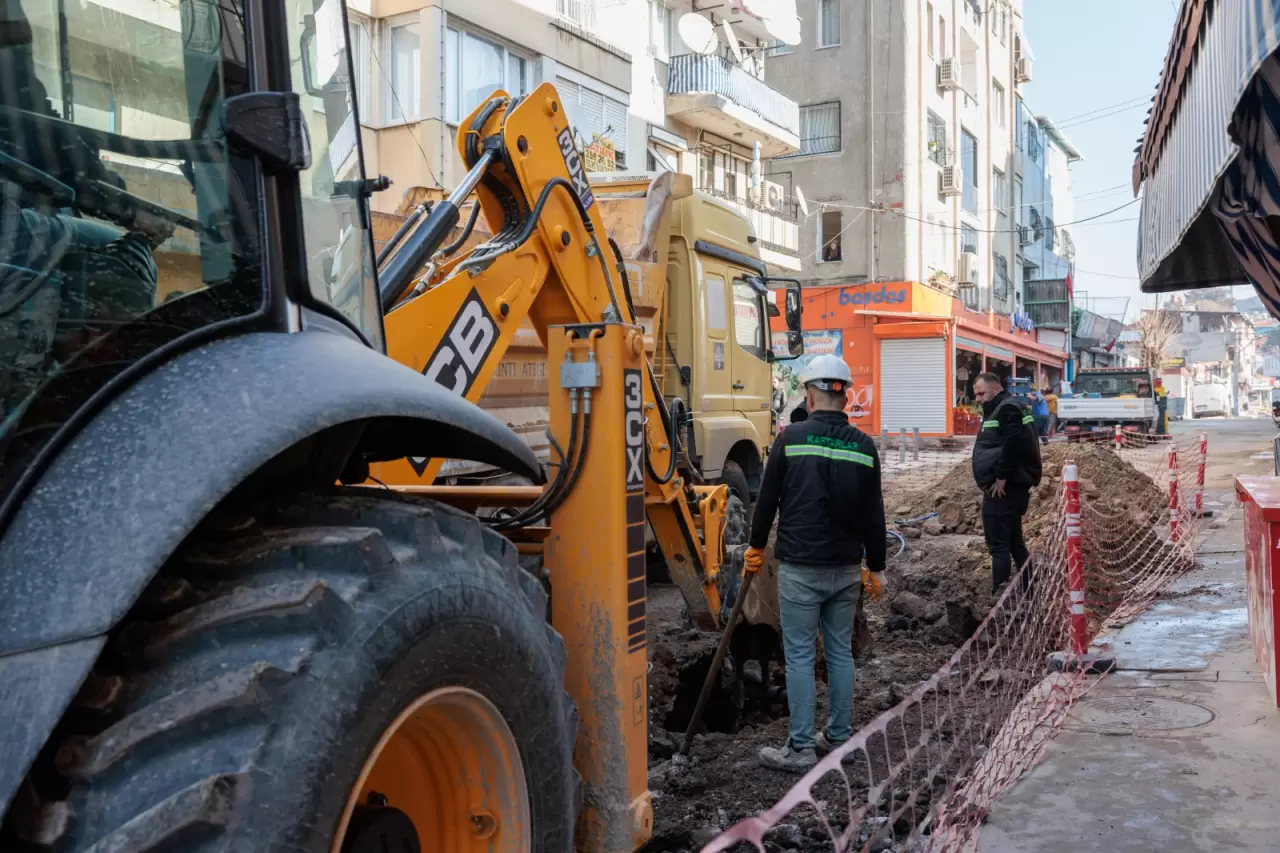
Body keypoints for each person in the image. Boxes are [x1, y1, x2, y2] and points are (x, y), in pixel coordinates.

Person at [744, 354, 887, 773]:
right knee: (840, 652)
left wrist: (755, 547)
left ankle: (800, 747)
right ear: (845, 396)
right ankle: (839, 738)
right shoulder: (863, 446)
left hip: (800, 568)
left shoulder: (790, 438)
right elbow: (874, 513)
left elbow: (766, 501)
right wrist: (876, 566)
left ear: (809, 394)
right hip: (845, 568)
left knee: (802, 656)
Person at [971, 372, 1043, 593]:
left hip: (1004, 489)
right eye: (976, 395)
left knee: (999, 548)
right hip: (1015, 486)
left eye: (981, 393)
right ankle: (1030, 592)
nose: (978, 399)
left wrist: (1001, 477)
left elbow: (1013, 444)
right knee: (1015, 544)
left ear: (996, 388)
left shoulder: (1007, 408)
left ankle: (999, 602)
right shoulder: (1010, 406)